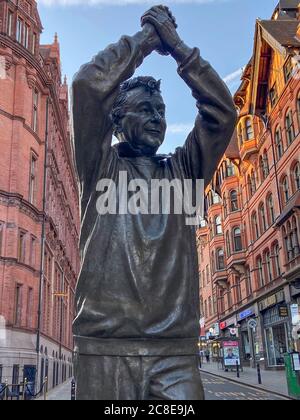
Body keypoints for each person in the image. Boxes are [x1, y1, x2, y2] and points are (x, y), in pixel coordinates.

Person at [72, 5, 236, 400]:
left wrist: (177, 47)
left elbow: (221, 114)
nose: (157, 118)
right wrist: (147, 39)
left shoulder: (185, 171)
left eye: (160, 111)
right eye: (145, 109)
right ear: (116, 120)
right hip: (104, 351)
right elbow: (87, 87)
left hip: (174, 355)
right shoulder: (100, 167)